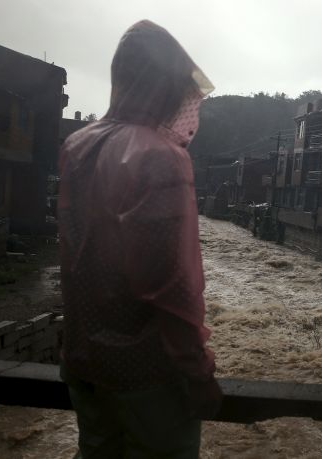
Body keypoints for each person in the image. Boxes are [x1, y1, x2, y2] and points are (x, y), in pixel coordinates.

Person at [57, 20, 220, 459]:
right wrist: (198, 371)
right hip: (148, 377)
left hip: (82, 360)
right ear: (167, 86)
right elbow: (170, 284)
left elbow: (76, 256)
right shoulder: (162, 157)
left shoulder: (78, 145)